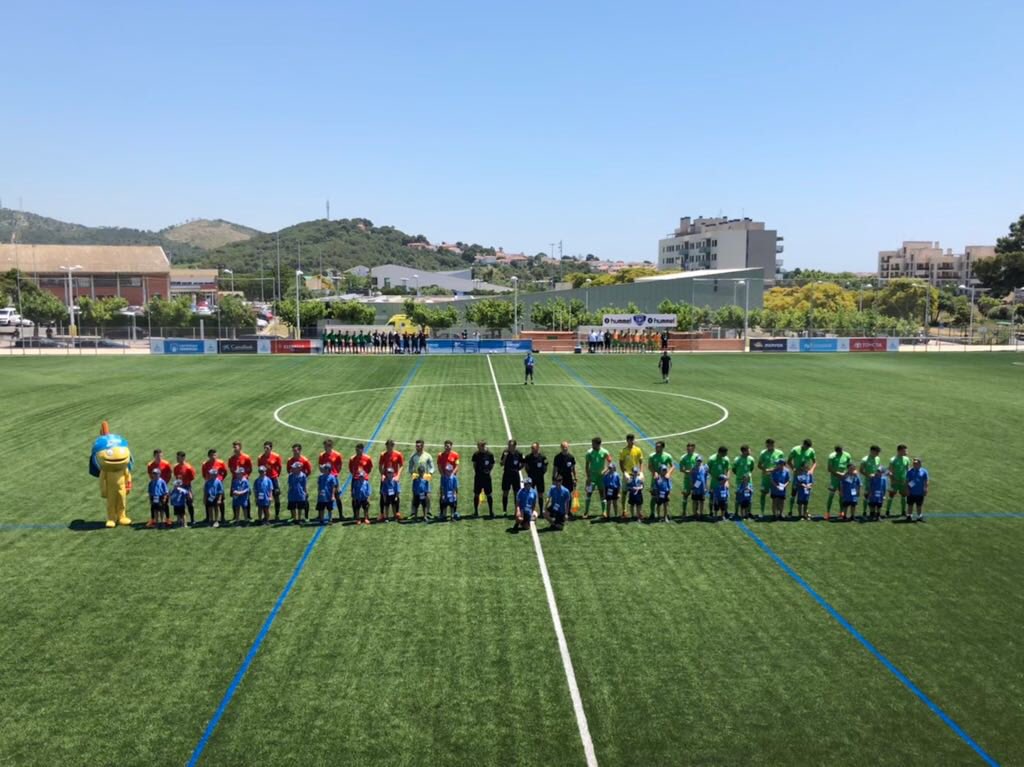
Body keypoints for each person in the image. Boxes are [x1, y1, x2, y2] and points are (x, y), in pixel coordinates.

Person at [787, 439, 817, 517]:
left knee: (805, 493)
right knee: (794, 493)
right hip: (797, 475)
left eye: (808, 448)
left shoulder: (811, 451)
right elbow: (788, 461)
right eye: (806, 447)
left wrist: (811, 470)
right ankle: (790, 510)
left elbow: (814, 462)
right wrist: (794, 469)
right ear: (803, 444)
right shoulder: (795, 450)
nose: (807, 449)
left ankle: (805, 511)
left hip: (806, 475)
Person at [583, 437, 611, 518]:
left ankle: (604, 512)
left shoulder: (605, 452)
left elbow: (610, 462)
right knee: (589, 493)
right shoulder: (589, 452)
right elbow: (586, 466)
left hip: (601, 478)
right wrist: (588, 477)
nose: (592, 445)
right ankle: (586, 512)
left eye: (593, 443)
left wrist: (605, 471)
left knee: (602, 494)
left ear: (597, 444)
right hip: (592, 477)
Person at [757, 439, 786, 517]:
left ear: (773, 444)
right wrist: (765, 469)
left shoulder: (779, 453)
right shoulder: (763, 453)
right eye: (768, 445)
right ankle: (762, 512)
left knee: (777, 496)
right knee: (763, 494)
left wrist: (772, 470)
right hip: (766, 477)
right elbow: (759, 465)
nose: (769, 446)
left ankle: (779, 513)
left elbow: (782, 464)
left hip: (776, 478)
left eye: (771, 444)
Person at [647, 441, 674, 519]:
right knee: (654, 496)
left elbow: (672, 466)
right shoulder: (652, 456)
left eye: (658, 446)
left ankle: (666, 514)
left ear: (662, 447)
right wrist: (654, 472)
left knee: (666, 497)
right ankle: (652, 513)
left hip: (665, 480)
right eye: (656, 446)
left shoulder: (667, 456)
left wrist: (668, 473)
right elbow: (649, 466)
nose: (656, 448)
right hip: (655, 480)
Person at [146, 449, 172, 528]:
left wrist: (164, 482)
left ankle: (166, 519)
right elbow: (150, 474)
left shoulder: (166, 464)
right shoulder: (150, 465)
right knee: (154, 506)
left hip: (163, 487)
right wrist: (154, 481)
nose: (159, 457)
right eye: (158, 456)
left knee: (165, 504)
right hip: (155, 487)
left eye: (161, 456)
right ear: (154, 456)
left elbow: (169, 474)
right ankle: (154, 520)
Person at [319, 439, 345, 520]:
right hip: (325, 478)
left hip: (333, 477)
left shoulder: (337, 455)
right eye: (324, 446)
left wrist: (335, 473)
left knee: (336, 495)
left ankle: (341, 514)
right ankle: (321, 514)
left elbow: (339, 465)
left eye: (326, 446)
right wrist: (324, 472)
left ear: (330, 446)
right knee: (322, 495)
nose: (325, 448)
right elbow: (320, 466)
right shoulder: (322, 455)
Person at [201, 449, 229, 523]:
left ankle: (222, 517)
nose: (213, 457)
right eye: (212, 455)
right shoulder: (205, 464)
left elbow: (225, 472)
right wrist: (208, 481)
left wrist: (221, 479)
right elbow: (204, 474)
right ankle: (208, 517)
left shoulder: (221, 462)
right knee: (208, 501)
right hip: (209, 485)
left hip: (218, 484)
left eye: (215, 455)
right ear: (209, 456)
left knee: (220, 501)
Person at [258, 441, 284, 520]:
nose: (265, 449)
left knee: (276, 496)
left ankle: (277, 515)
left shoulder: (276, 456)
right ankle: (265, 516)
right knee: (265, 497)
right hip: (265, 479)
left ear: (271, 448)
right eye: (264, 448)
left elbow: (279, 467)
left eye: (267, 448)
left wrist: (276, 476)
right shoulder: (260, 457)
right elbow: (260, 468)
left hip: (273, 478)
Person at [825, 444, 853, 518]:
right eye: (838, 452)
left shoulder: (847, 455)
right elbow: (829, 469)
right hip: (834, 479)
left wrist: (845, 474)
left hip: (843, 479)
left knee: (842, 496)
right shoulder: (832, 456)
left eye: (841, 451)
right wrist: (838, 474)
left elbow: (850, 467)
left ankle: (841, 512)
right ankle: (827, 513)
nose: (840, 453)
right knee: (831, 496)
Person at [885, 444, 912, 518]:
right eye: (905, 450)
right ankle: (887, 511)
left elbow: (907, 469)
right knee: (891, 495)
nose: (906, 452)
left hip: (903, 481)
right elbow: (889, 471)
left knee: (903, 495)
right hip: (895, 481)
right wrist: (892, 480)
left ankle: (903, 511)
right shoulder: (893, 459)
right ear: (899, 451)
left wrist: (908, 479)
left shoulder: (906, 459)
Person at [500, 439, 525, 517]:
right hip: (507, 474)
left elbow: (523, 462)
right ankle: (504, 511)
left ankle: (516, 510)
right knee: (505, 492)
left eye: (511, 446)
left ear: (514, 446)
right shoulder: (505, 452)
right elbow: (501, 463)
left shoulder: (519, 453)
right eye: (508, 446)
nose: (509, 447)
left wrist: (518, 468)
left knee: (516, 493)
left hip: (515, 475)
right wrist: (505, 457)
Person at [471, 440, 496, 518]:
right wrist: (478, 472)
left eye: (479, 446)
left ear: (483, 446)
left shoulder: (490, 454)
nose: (478, 448)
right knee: (476, 494)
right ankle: (476, 511)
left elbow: (492, 464)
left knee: (489, 494)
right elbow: (474, 465)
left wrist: (488, 470)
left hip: (487, 478)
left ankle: (491, 511)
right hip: (478, 477)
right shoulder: (476, 454)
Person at [172, 451, 197, 526]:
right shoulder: (176, 467)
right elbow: (176, 476)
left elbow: (192, 477)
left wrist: (186, 486)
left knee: (190, 503)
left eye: (178, 457)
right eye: (176, 457)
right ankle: (180, 520)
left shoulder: (188, 467)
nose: (177, 458)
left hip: (187, 487)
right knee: (179, 503)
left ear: (183, 458)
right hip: (179, 488)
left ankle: (192, 519)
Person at [678, 442, 701, 517]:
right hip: (687, 479)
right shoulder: (683, 458)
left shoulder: (697, 456)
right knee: (685, 495)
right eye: (688, 448)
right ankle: (684, 512)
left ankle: (696, 512)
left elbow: (700, 466)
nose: (688, 450)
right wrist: (688, 471)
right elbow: (681, 469)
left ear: (694, 448)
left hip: (697, 480)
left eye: (690, 448)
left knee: (696, 496)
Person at [859, 446, 883, 515]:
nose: (878, 454)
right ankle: (864, 511)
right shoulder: (865, 460)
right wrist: (869, 475)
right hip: (868, 480)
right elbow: (861, 470)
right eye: (877, 452)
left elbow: (879, 467)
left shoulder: (878, 458)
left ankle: (873, 512)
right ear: (872, 451)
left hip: (876, 481)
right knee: (867, 495)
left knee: (875, 496)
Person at [287, 458, 309, 524]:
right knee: (293, 506)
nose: (293, 469)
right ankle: (294, 518)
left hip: (300, 493)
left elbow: (304, 485)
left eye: (294, 468)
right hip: (292, 493)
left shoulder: (303, 476)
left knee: (300, 507)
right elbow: (290, 484)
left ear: (299, 468)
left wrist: (305, 492)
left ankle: (299, 518)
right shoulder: (290, 476)